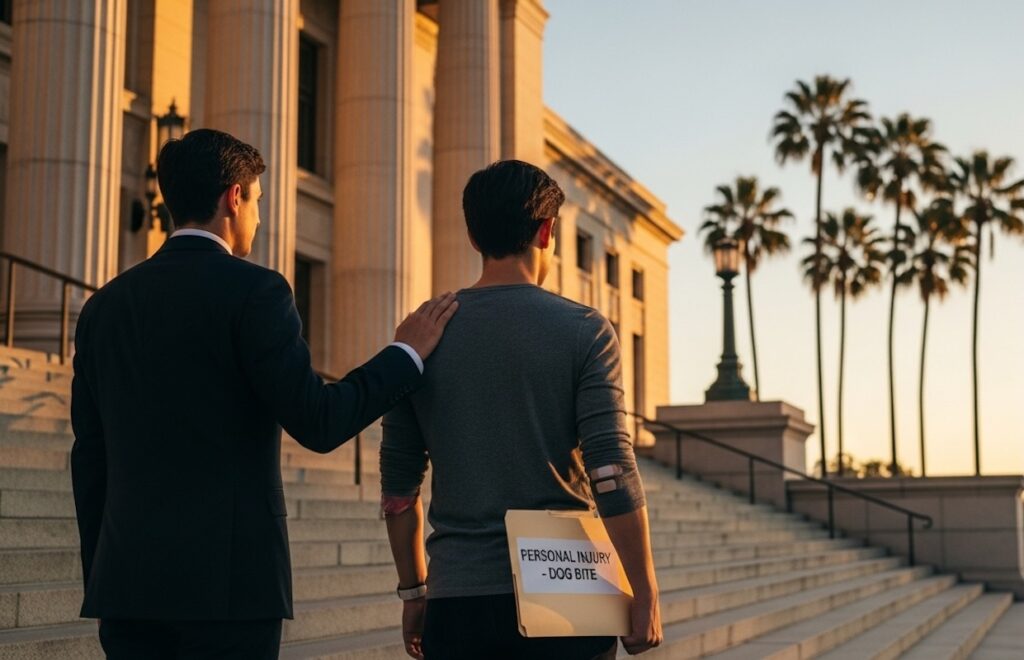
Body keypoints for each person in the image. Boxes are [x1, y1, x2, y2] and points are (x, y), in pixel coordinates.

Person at [70, 128, 458, 659]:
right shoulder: (257, 291)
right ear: (234, 197)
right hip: (231, 590)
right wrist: (405, 355)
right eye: (256, 201)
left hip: (126, 590)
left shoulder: (102, 308)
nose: (258, 217)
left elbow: (89, 461)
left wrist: (105, 578)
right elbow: (319, 422)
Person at [380, 159, 662, 660]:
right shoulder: (584, 330)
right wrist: (644, 590)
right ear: (547, 230)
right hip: (570, 591)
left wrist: (413, 592)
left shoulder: (420, 334)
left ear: (473, 236)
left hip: (458, 597)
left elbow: (399, 490)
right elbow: (611, 467)